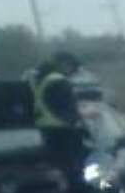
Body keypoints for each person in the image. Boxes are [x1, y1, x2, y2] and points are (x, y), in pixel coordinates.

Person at [29, 50, 87, 182]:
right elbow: (70, 110)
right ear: (64, 64)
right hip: (64, 134)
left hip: (44, 132)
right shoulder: (59, 81)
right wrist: (80, 123)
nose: (72, 73)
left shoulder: (40, 79)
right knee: (73, 176)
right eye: (72, 68)